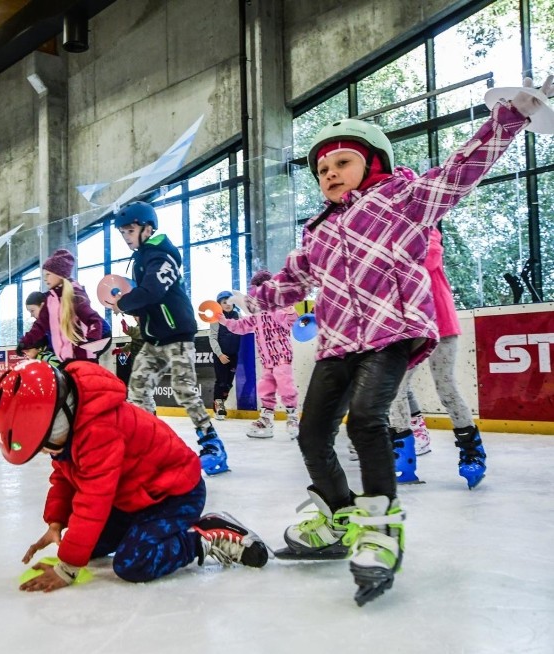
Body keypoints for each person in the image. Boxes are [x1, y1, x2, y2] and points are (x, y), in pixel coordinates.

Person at [249, 78, 550, 605]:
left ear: (373, 162)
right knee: (312, 434)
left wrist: (511, 116)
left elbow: (460, 172)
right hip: (338, 343)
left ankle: (380, 528)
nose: (329, 175)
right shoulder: (317, 231)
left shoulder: (403, 200)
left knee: (368, 420)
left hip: (391, 335)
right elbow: (289, 283)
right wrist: (253, 301)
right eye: (321, 171)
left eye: (340, 163)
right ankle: (339, 517)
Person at [0, 359, 269, 592]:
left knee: (133, 564)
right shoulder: (72, 425)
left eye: (43, 446)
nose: (44, 453)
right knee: (89, 544)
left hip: (174, 494)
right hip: (134, 498)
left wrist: (67, 569)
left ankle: (205, 537)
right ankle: (144, 532)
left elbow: (94, 499)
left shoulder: (98, 431)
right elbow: (63, 476)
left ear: (56, 424)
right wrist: (56, 521)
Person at [111, 201, 228, 475]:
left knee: (185, 390)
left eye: (130, 231)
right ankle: (149, 443)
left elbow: (153, 291)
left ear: (148, 228)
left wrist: (125, 303)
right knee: (138, 389)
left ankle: (212, 444)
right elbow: (148, 301)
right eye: (123, 233)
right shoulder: (142, 257)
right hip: (154, 339)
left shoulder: (162, 256)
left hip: (177, 335)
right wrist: (126, 305)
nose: (126, 237)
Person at [388, 227, 486, 488]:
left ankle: (472, 452)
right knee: (396, 388)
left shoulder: (428, 234)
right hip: (411, 329)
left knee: (445, 386)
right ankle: (403, 456)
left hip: (441, 324)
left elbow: (427, 260)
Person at [218, 272, 299, 439]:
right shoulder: (256, 316)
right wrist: (225, 322)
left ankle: (292, 416)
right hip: (266, 358)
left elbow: (291, 322)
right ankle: (266, 418)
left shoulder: (278, 309)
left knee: (285, 383)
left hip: (282, 355)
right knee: (266, 387)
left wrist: (290, 311)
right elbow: (241, 325)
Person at [17, 249, 107, 361]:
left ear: (59, 274)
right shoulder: (50, 300)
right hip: (65, 359)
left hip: (82, 358)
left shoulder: (75, 296)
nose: (45, 279)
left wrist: (92, 340)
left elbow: (94, 319)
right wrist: (25, 342)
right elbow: (40, 326)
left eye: (48, 274)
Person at [208, 290, 241, 421]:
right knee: (221, 382)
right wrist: (220, 354)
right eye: (224, 302)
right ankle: (219, 406)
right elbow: (213, 338)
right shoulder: (216, 318)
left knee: (228, 384)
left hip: (234, 355)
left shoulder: (237, 315)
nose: (228, 304)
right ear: (219, 304)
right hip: (220, 356)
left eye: (230, 302)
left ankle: (221, 402)